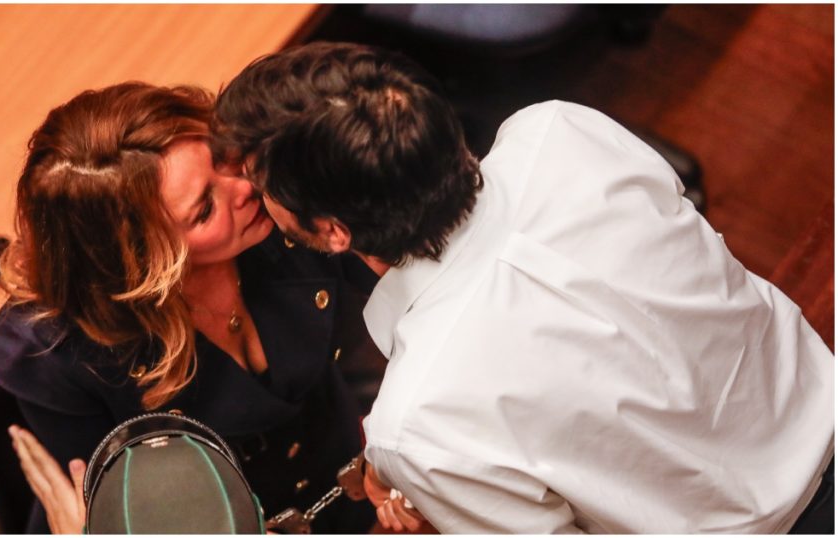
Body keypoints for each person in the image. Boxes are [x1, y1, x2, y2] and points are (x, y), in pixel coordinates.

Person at [211, 41, 835, 533]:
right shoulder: (561, 129)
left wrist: (437, 485)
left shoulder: (420, 422)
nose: (247, 193)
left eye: (261, 183)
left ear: (334, 231)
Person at [0, 82, 380, 534]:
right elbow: (124, 513)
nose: (245, 186)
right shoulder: (61, 355)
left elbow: (408, 281)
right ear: (143, 260)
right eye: (205, 209)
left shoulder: (275, 199)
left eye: (223, 159)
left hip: (350, 473)